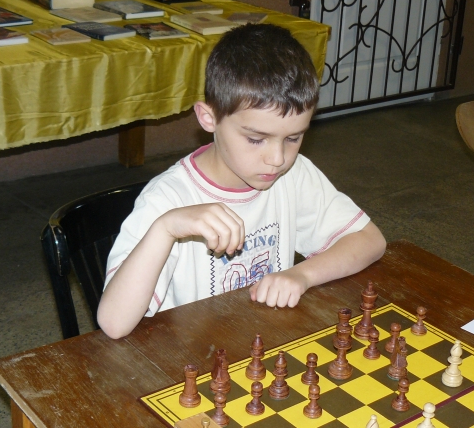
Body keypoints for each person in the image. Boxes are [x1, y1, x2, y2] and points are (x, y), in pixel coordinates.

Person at [97, 24, 386, 339]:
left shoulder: (293, 174)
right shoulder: (167, 200)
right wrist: (165, 229)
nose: (277, 158)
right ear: (209, 118)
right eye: (256, 139)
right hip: (191, 355)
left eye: (293, 138)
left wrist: (302, 275)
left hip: (261, 342)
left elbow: (370, 240)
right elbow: (114, 323)